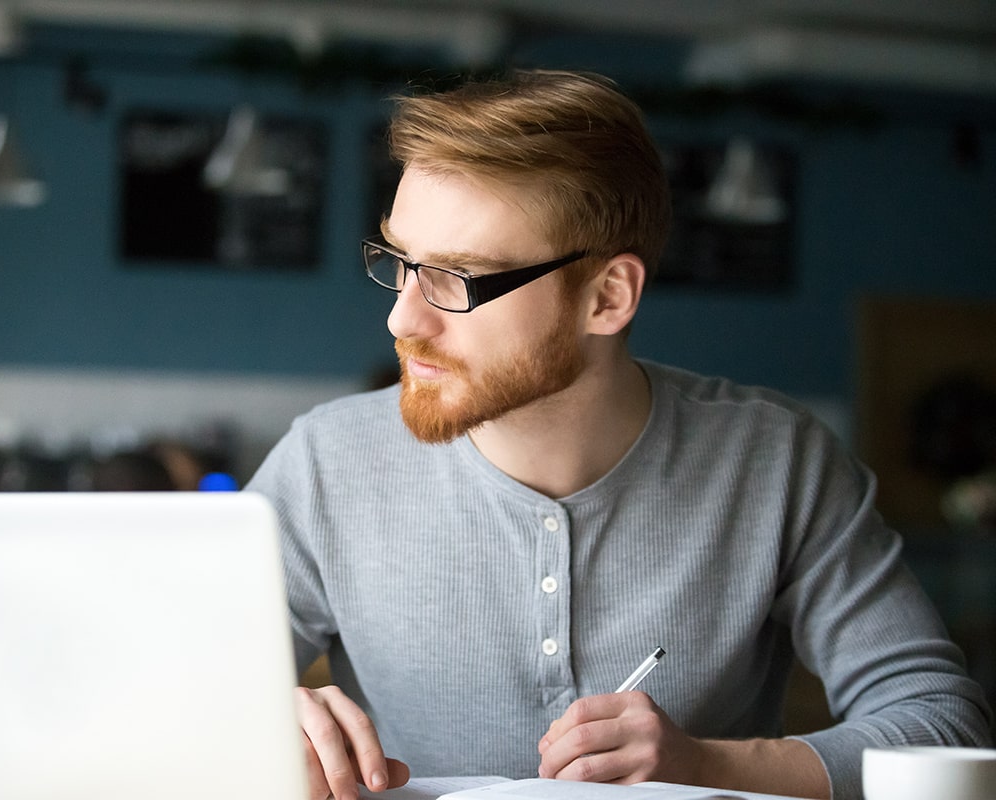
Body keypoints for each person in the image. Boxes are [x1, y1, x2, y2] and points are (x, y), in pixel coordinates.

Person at [245, 70, 992, 800]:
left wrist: (709, 766)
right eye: (401, 263)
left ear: (607, 297)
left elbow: (944, 727)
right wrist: (263, 721)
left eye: (459, 279)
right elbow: (150, 687)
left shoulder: (777, 463)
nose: (402, 320)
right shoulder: (326, 463)